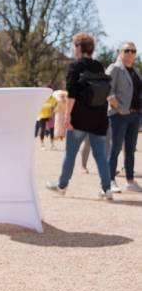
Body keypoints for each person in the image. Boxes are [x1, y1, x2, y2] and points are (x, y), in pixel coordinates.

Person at [46, 33, 112, 199]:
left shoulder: (75, 67)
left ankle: (62, 186)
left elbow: (72, 95)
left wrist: (67, 116)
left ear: (78, 47)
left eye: (74, 46)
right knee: (100, 156)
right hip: (99, 118)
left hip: (80, 119)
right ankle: (107, 189)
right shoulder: (99, 66)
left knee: (70, 154)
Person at [105, 42, 141, 193]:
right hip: (119, 115)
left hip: (135, 115)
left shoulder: (136, 71)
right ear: (120, 52)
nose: (130, 53)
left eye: (133, 51)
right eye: (127, 50)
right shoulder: (115, 68)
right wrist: (119, 109)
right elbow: (107, 90)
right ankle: (110, 181)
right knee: (115, 149)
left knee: (131, 150)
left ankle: (130, 181)